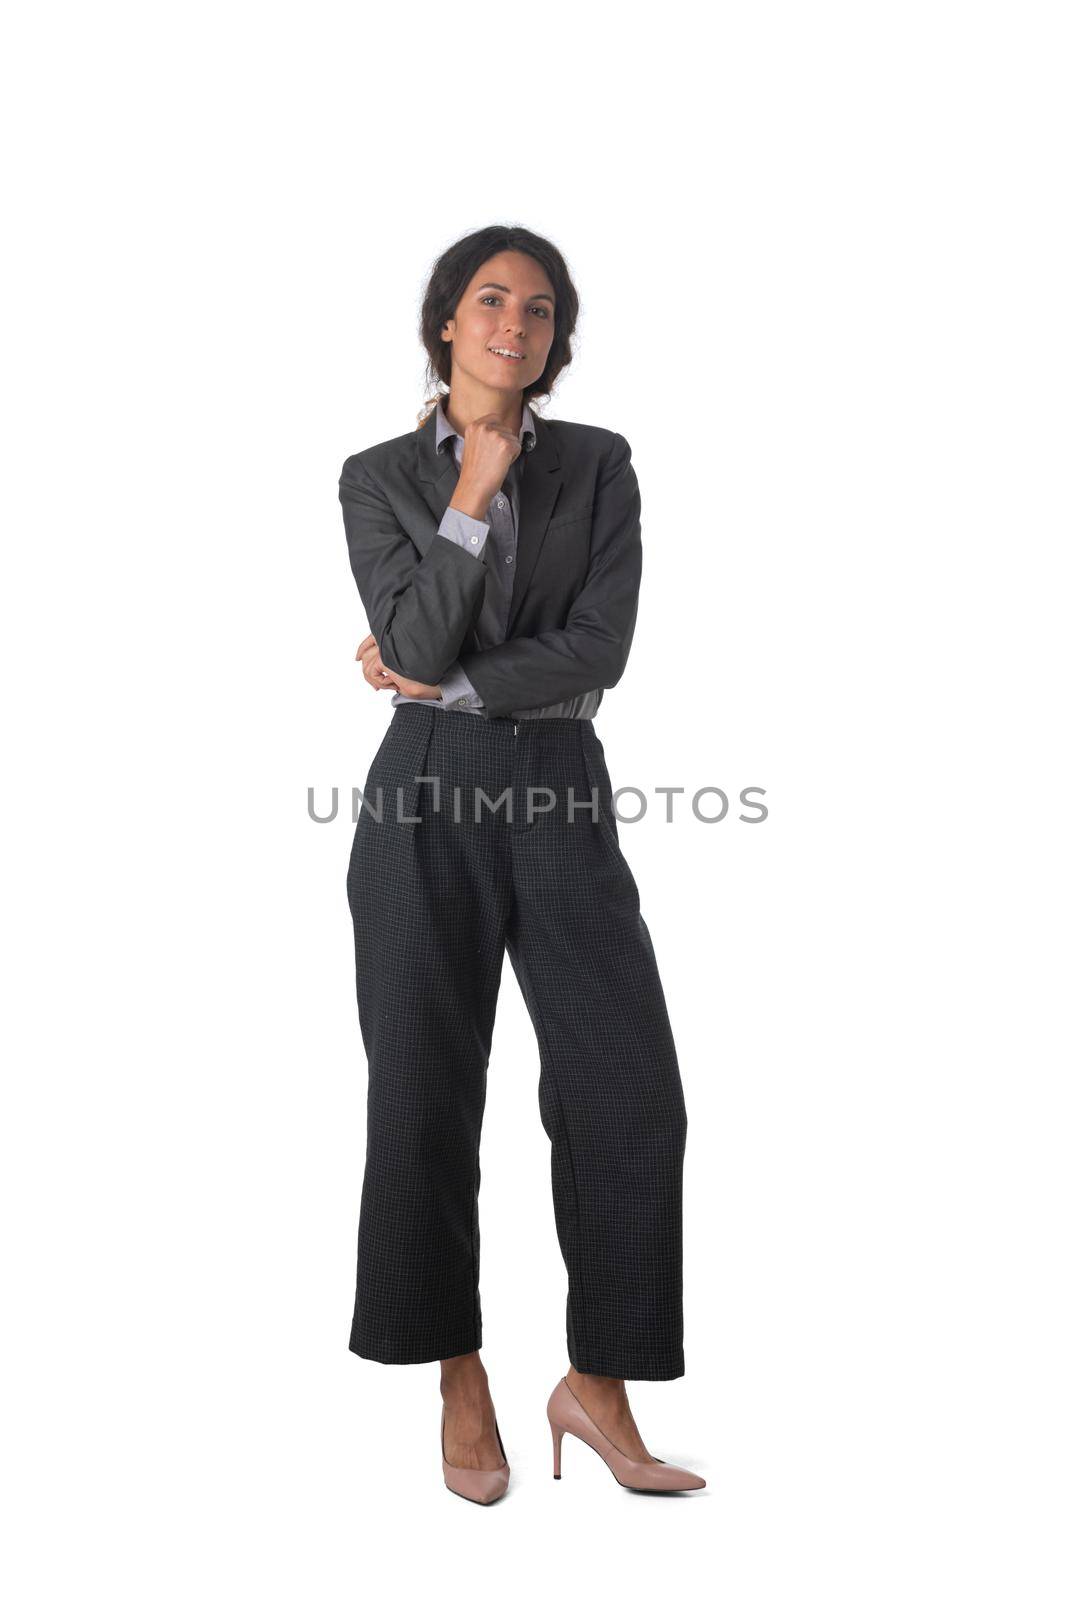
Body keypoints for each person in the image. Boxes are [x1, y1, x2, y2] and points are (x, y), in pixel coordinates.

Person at [338, 224, 705, 1502]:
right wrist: (471, 495)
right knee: (424, 1092)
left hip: (557, 787)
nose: (515, 323)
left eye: (540, 309)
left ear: (555, 339)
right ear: (445, 319)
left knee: (627, 1091)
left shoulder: (600, 466)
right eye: (490, 299)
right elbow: (412, 625)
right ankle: (457, 1371)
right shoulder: (377, 475)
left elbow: (597, 646)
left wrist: (442, 680)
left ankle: (595, 1384)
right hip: (418, 806)